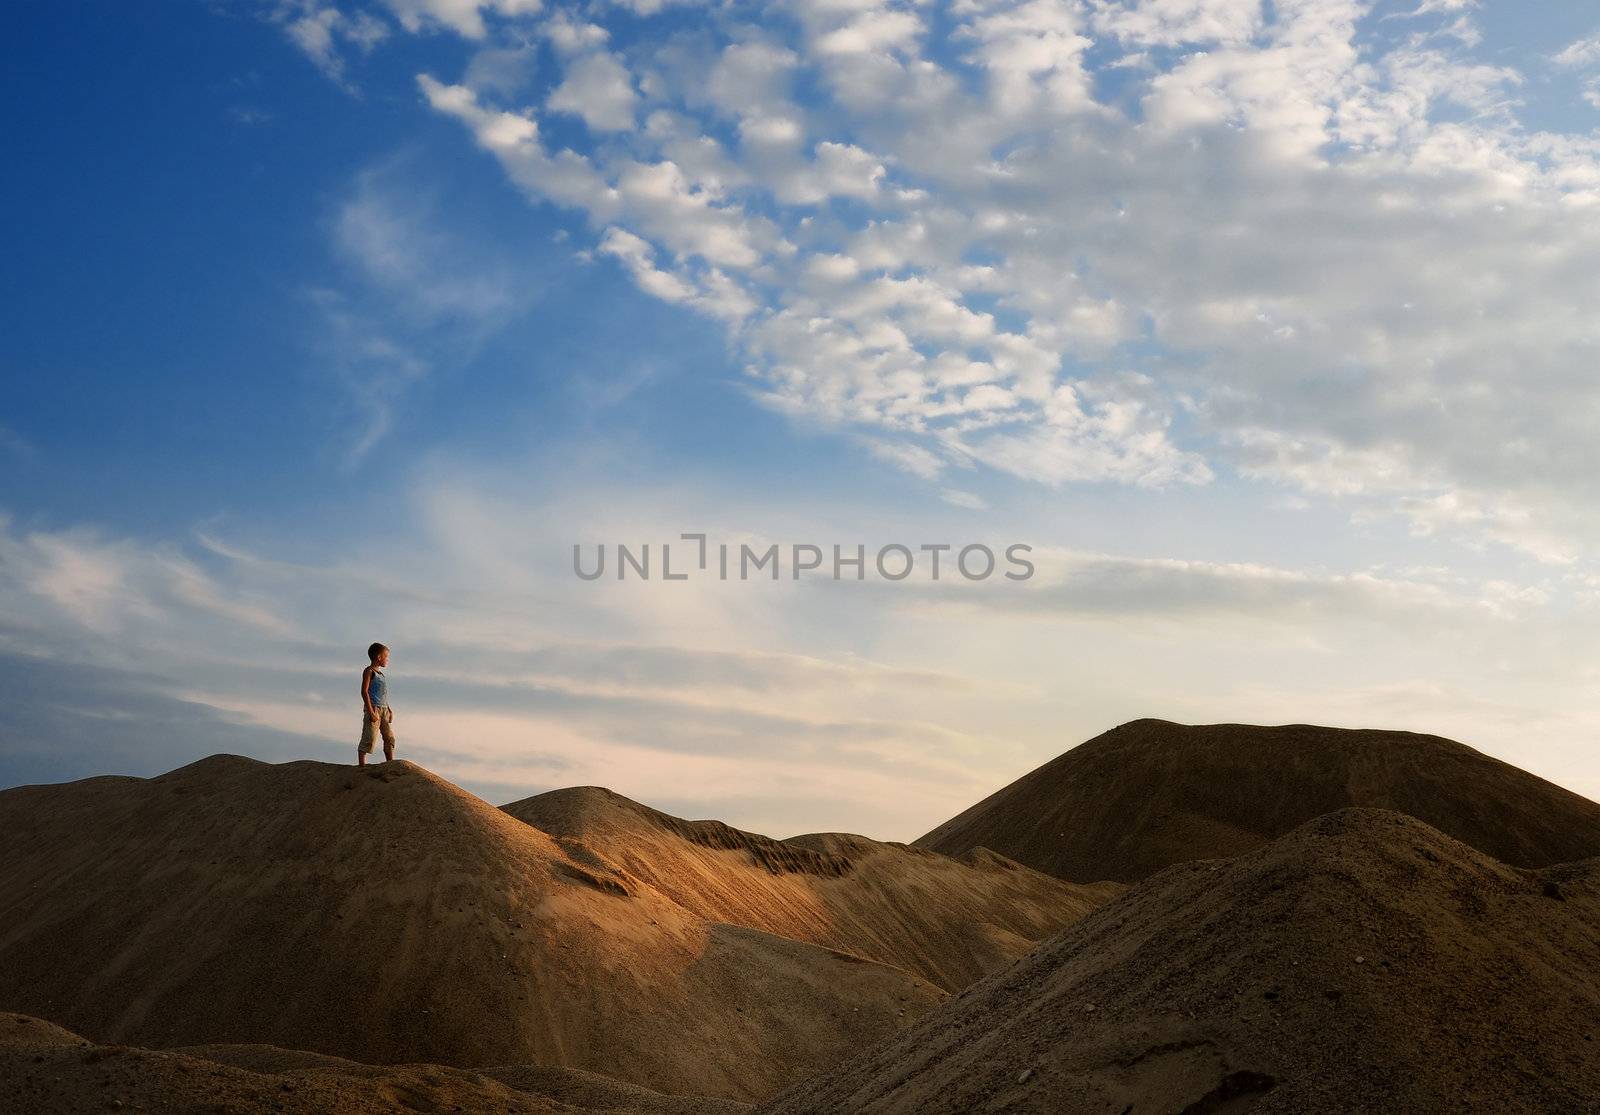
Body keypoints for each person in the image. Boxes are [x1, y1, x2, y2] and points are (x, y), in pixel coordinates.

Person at [359, 642, 396, 766]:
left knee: (389, 737)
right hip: (373, 708)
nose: (387, 660)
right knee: (369, 736)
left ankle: (390, 763)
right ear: (379, 657)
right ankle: (362, 764)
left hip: (384, 709)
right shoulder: (369, 671)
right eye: (386, 657)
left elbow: (383, 694)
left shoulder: (382, 674)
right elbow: (364, 692)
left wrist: (389, 710)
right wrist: (370, 711)